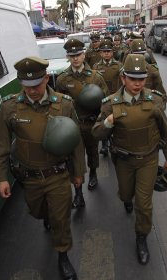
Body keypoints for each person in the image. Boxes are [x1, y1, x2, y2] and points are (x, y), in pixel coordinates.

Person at [0, 56, 86, 280]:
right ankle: (46, 217)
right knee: (38, 211)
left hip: (58, 174)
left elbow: (76, 143)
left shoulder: (64, 104)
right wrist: (1, 177)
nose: (32, 90)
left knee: (60, 218)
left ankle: (63, 255)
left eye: (37, 84)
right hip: (30, 177)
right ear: (21, 83)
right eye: (27, 85)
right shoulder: (10, 107)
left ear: (46, 79)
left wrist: (78, 173)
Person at [92, 54, 167, 265]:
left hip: (148, 159)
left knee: (144, 204)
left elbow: (165, 130)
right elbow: (96, 134)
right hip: (124, 161)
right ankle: (126, 199)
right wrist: (109, 122)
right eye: (132, 79)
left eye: (141, 79)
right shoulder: (110, 104)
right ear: (123, 79)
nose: (138, 83)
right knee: (126, 194)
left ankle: (141, 238)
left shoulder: (154, 100)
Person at [56, 39, 109, 207]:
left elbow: (106, 100)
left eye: (78, 55)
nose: (75, 59)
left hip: (90, 123)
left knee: (92, 151)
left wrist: (101, 117)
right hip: (72, 126)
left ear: (84, 54)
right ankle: (78, 193)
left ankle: (93, 173)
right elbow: (58, 103)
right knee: (74, 158)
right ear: (68, 57)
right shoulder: (63, 79)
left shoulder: (95, 77)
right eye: (72, 56)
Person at [93, 39, 123, 157]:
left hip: (116, 98)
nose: (106, 53)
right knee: (104, 122)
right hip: (102, 99)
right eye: (104, 51)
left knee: (117, 122)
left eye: (108, 51)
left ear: (112, 52)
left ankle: (115, 144)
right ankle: (105, 145)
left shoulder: (119, 65)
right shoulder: (96, 66)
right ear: (100, 53)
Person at [129, 39, 167, 108]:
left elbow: (161, 94)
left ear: (145, 54)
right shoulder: (125, 71)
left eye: (141, 54)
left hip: (148, 107)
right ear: (131, 53)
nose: (139, 57)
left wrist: (159, 109)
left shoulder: (153, 71)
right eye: (136, 54)